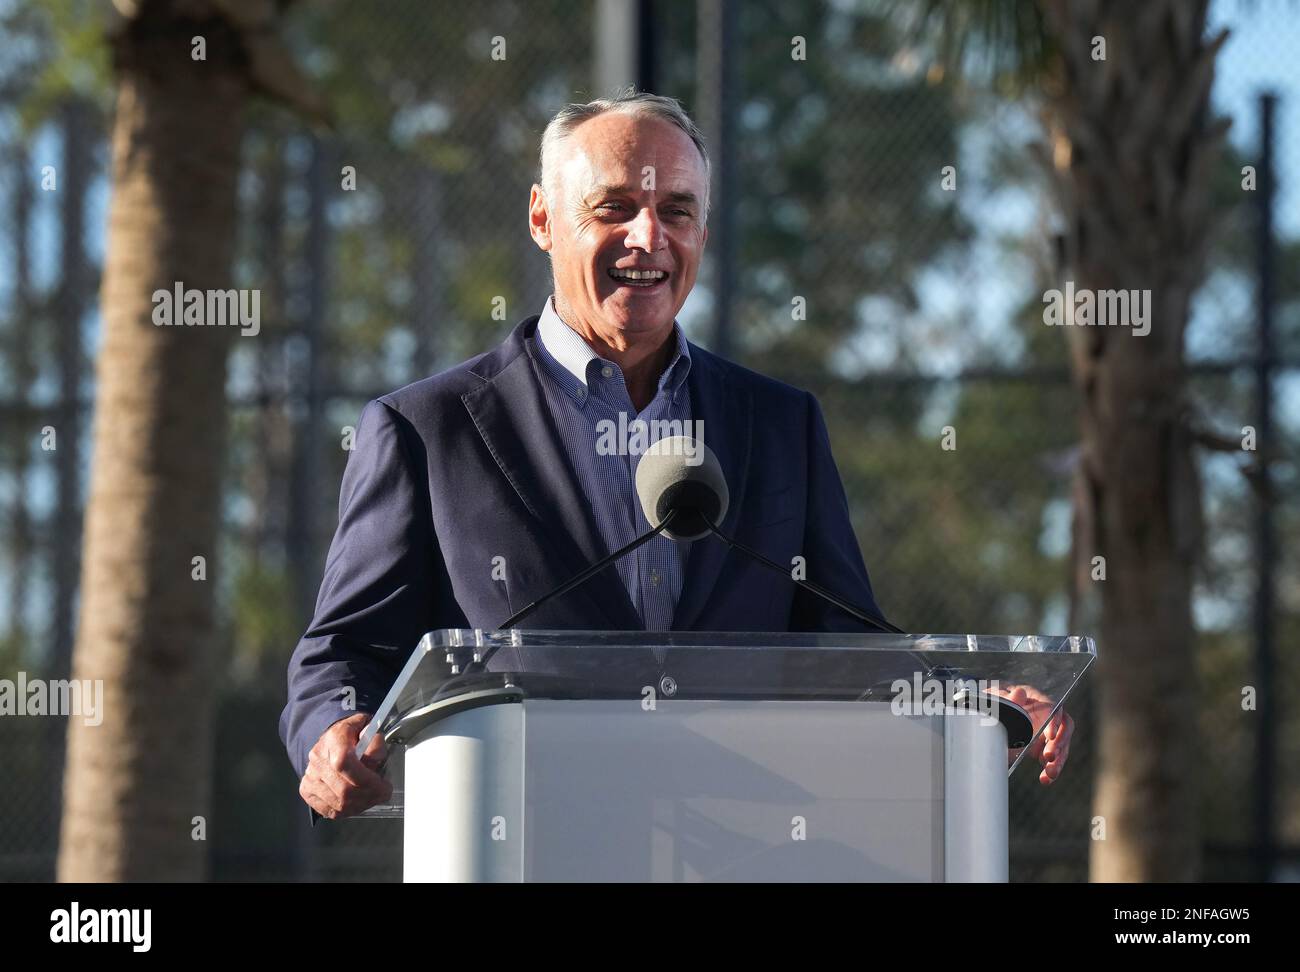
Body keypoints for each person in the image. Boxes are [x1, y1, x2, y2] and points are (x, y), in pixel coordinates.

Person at [282, 91, 1072, 820]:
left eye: (677, 210)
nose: (648, 238)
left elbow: (844, 645)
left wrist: (971, 707)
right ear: (542, 218)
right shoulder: (427, 429)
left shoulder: (779, 423)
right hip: (519, 836)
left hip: (746, 846)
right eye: (614, 207)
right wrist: (332, 729)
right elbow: (344, 651)